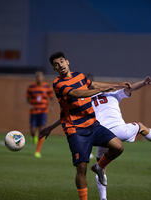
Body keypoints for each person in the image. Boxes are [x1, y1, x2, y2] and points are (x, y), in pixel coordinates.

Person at [39, 51, 131, 200]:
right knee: (81, 167)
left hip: (93, 125)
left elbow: (92, 85)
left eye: (61, 61)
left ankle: (100, 167)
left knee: (118, 147)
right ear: (55, 69)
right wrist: (101, 90)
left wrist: (116, 86)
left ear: (67, 62)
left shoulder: (80, 76)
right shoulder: (58, 84)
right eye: (56, 64)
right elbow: (77, 93)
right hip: (76, 130)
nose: (59, 65)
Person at [92, 76, 151, 200]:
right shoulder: (113, 94)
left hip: (100, 134)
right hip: (118, 130)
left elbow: (90, 86)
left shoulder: (86, 98)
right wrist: (144, 83)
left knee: (101, 167)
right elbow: (131, 88)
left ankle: (103, 198)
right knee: (140, 126)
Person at [26, 71, 54, 158]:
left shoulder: (47, 87)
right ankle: (33, 136)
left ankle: (37, 151)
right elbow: (27, 98)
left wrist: (51, 106)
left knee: (42, 130)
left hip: (43, 112)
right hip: (34, 112)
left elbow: (52, 98)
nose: (39, 78)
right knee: (33, 130)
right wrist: (29, 105)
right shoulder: (31, 87)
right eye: (37, 76)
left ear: (43, 77)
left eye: (40, 76)